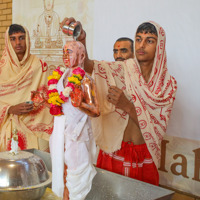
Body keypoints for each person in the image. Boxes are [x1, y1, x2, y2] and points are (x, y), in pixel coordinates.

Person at [61, 18, 177, 186]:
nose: (141, 45)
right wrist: (81, 39)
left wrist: (127, 106)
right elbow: (88, 65)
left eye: (149, 41)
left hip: (144, 156)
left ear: (159, 46)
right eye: (138, 39)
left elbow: (156, 129)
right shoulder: (123, 68)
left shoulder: (167, 85)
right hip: (113, 150)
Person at [49, 40, 97, 200]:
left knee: (74, 180)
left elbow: (96, 111)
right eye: (63, 52)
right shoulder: (59, 78)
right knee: (60, 174)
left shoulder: (85, 80)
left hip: (76, 137)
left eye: (69, 52)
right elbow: (58, 103)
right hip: (59, 136)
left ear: (82, 56)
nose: (65, 55)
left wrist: (80, 104)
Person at [0, 24, 53, 152]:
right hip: (10, 127)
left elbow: (48, 96)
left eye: (21, 38)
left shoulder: (39, 65)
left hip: (36, 126)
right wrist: (10, 109)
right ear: (8, 41)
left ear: (27, 39)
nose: (18, 42)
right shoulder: (1, 69)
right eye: (13, 39)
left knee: (37, 167)